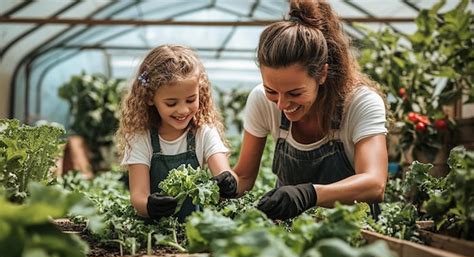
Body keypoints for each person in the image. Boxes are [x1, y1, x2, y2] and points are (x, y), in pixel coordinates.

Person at [215, 0, 389, 220]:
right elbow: (244, 177)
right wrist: (227, 185)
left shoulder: (360, 103)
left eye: (295, 93)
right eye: (271, 91)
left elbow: (374, 184)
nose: (281, 104)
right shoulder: (261, 100)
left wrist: (309, 194)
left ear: (322, 74)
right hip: (293, 232)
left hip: (356, 231)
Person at [117, 45, 236, 222]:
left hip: (193, 230)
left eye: (191, 99)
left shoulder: (203, 132)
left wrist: (228, 183)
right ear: (150, 98)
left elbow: (224, 173)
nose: (183, 110)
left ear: (200, 92)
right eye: (171, 103)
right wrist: (149, 206)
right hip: (153, 232)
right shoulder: (141, 137)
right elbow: (138, 196)